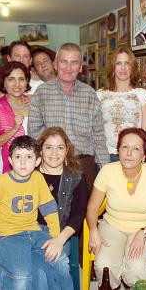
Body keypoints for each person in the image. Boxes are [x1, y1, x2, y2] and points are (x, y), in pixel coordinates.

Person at [0, 135, 73, 290]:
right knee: (22, 276)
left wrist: (55, 237)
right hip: (8, 235)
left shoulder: (37, 178)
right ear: (10, 160)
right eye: (18, 157)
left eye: (29, 157)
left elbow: (49, 208)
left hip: (34, 232)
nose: (23, 162)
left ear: (37, 161)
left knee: (61, 261)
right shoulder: (1, 183)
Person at [87, 127, 146, 289]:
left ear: (144, 155)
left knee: (136, 269)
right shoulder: (107, 171)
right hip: (113, 226)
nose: (129, 153)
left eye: (136, 148)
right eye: (124, 147)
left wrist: (144, 231)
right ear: (118, 150)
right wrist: (93, 229)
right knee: (104, 265)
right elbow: (92, 208)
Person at [28, 42, 109, 192]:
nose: (68, 67)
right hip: (52, 166)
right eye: (64, 62)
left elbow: (98, 136)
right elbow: (34, 133)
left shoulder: (90, 94)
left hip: (85, 166)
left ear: (80, 67)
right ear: (56, 64)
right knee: (51, 213)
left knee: (87, 212)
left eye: (74, 63)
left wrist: (106, 172)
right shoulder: (41, 93)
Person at [35, 127, 88, 284]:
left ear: (67, 150)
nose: (54, 153)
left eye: (60, 148)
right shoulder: (29, 173)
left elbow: (79, 213)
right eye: (49, 147)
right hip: (31, 232)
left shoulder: (76, 176)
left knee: (52, 267)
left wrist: (59, 240)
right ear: (41, 150)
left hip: (60, 232)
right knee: (39, 271)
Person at [97, 47, 146, 162]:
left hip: (133, 156)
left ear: (132, 67)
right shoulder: (99, 96)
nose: (123, 68)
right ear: (113, 67)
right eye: (118, 63)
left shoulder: (141, 95)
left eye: (127, 63)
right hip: (105, 156)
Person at [0, 61, 31, 176]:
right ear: (4, 83)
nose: (17, 84)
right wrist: (14, 129)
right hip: (8, 166)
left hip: (34, 165)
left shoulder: (33, 103)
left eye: (21, 79)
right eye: (11, 79)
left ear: (27, 82)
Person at [0, 40, 42, 105]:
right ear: (9, 59)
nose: (21, 60)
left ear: (30, 60)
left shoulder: (41, 81)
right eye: (17, 56)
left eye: (25, 56)